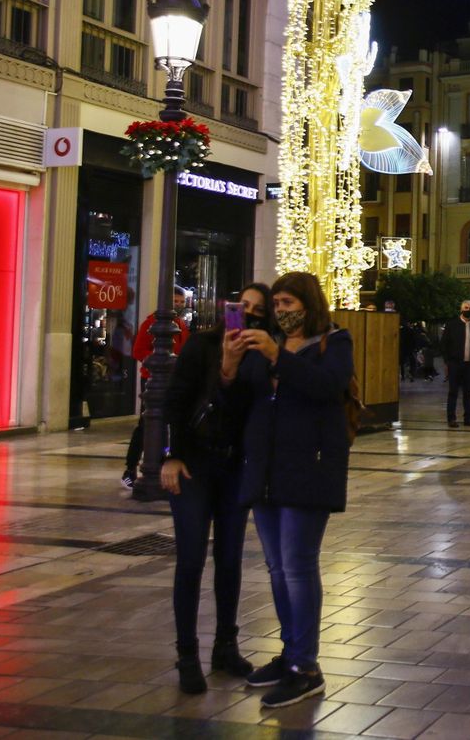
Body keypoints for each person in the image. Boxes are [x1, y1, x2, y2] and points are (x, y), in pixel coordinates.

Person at [225, 271, 353, 708]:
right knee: (277, 568)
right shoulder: (266, 345)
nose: (280, 311)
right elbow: (247, 397)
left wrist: (279, 355)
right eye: (276, 304)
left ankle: (307, 666)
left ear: (308, 304)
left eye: (287, 303)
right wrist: (230, 364)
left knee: (298, 566)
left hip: (308, 469)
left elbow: (327, 387)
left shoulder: (334, 343)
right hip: (265, 471)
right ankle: (290, 652)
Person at [160, 282, 270, 694]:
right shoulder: (202, 345)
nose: (249, 314)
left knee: (229, 560)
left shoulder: (262, 358)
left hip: (233, 468)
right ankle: (187, 654)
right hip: (193, 464)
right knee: (190, 559)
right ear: (230, 309)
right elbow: (175, 401)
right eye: (243, 306)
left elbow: (254, 413)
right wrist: (170, 455)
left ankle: (226, 646)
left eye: (258, 310)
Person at [124, 286, 190, 489]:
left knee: (169, 423)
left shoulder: (180, 325)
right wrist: (155, 362)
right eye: (175, 301)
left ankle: (161, 464)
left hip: (173, 379)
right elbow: (138, 350)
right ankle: (130, 468)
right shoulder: (151, 323)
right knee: (146, 423)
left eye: (181, 302)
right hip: (152, 380)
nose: (178, 305)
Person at [438, 300, 470, 428]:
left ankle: (468, 418)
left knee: (468, 392)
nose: (468, 310)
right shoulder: (452, 325)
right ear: (461, 309)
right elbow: (444, 344)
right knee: (453, 392)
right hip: (455, 364)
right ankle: (451, 418)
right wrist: (447, 361)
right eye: (466, 307)